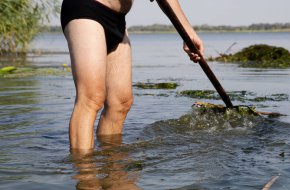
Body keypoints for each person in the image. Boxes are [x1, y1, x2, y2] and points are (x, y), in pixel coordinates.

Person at [61, 0, 204, 151]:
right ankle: (84, 171)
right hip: (87, 9)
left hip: (117, 20)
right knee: (91, 98)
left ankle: (113, 165)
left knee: (120, 103)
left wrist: (187, 31)